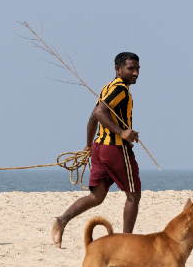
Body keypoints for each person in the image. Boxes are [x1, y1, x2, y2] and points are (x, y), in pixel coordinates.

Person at [52, 52, 141, 248]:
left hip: (100, 149)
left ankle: (62, 220)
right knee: (133, 195)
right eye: (130, 69)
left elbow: (93, 117)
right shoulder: (120, 90)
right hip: (115, 149)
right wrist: (122, 132)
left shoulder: (107, 87)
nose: (135, 73)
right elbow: (98, 113)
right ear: (118, 69)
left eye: (137, 69)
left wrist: (89, 144)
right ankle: (126, 243)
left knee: (97, 196)